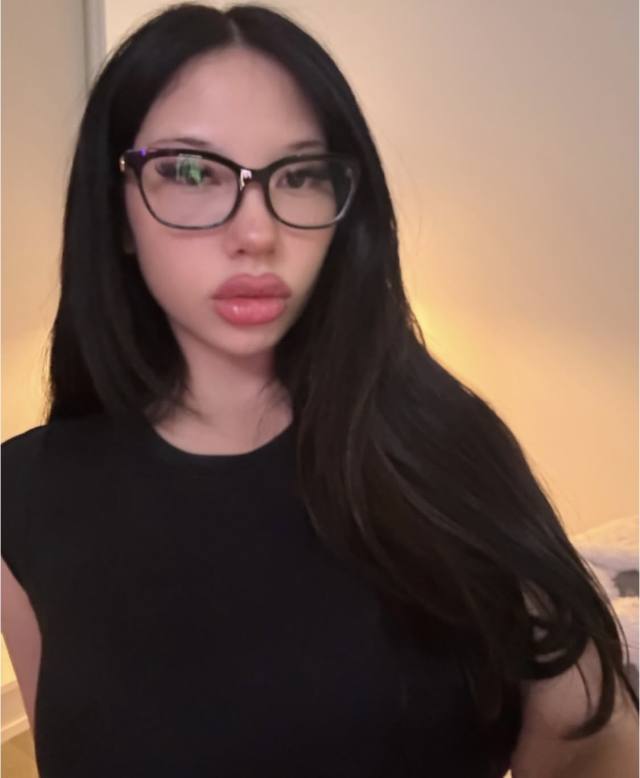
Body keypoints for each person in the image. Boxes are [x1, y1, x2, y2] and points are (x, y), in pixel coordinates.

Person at [1, 3, 637, 777]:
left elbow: (591, 738)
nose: (257, 233)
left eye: (300, 176)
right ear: (117, 211)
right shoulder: (21, 496)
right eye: (192, 171)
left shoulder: (443, 447)